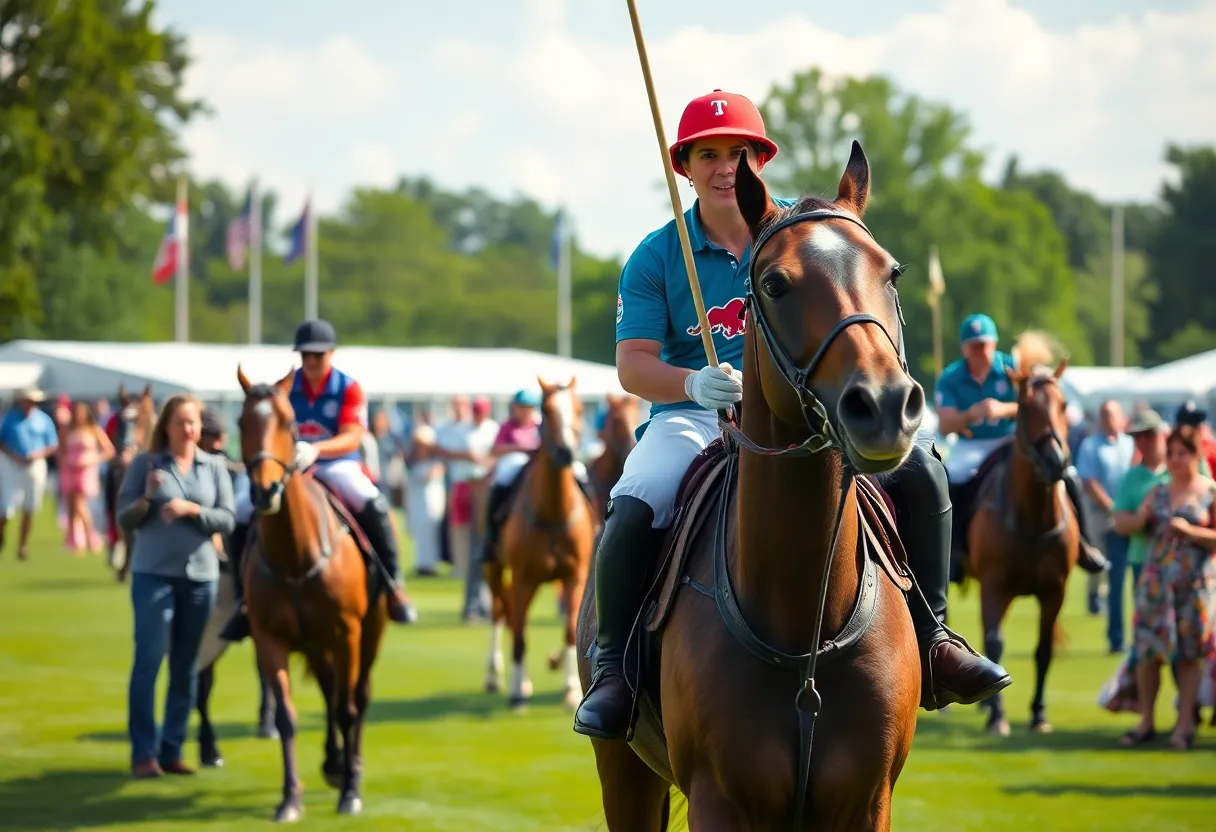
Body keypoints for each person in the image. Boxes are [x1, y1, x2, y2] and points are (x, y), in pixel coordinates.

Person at [572, 89, 1012, 741]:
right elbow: (632, 365)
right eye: (708, 154)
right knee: (636, 501)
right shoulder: (657, 255)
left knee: (923, 470)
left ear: (760, 161)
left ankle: (934, 637)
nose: (726, 167)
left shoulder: (806, 238)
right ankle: (614, 670)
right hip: (691, 417)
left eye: (739, 153)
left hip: (806, 413)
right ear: (684, 167)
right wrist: (692, 382)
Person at [219, 319, 417, 642]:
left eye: (318, 355)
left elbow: (354, 434)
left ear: (331, 353)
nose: (311, 361)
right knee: (241, 510)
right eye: (306, 355)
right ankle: (243, 599)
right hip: (289, 469)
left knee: (371, 502)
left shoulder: (348, 388)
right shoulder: (285, 389)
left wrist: (317, 449)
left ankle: (394, 585)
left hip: (336, 464)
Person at [934, 313, 1109, 573]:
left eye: (984, 345)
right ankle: (954, 552)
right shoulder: (950, 377)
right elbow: (945, 425)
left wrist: (1003, 409)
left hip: (1011, 439)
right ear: (964, 348)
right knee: (949, 480)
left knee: (1067, 475)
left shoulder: (1013, 368)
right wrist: (971, 414)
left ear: (994, 344)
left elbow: (1040, 404)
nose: (980, 351)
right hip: (971, 446)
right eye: (974, 346)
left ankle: (1085, 544)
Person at [117, 394, 235, 777]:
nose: (188, 429)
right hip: (153, 574)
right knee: (149, 660)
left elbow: (227, 519)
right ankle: (143, 752)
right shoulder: (146, 463)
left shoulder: (214, 466)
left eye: (193, 422)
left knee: (186, 667)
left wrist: (192, 511)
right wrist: (148, 498)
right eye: (181, 422)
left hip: (201, 578)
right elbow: (124, 518)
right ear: (166, 426)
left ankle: (171, 749)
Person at [1117, 428, 1216, 750]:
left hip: (1195, 586)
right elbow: (1124, 524)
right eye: (1171, 454)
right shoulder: (1158, 492)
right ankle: (1146, 721)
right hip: (1155, 584)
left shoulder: (1210, 492)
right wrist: (1140, 517)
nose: (1175, 460)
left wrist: (1191, 531)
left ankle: (1184, 725)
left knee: (1189, 655)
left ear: (1197, 455)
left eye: (1182, 454)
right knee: (1148, 652)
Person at [480, 388, 594, 565]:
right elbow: (496, 448)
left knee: (580, 471)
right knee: (504, 474)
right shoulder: (507, 426)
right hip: (519, 459)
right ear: (514, 407)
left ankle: (593, 523)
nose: (524, 410)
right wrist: (520, 448)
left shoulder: (542, 423)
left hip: (545, 461)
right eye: (521, 406)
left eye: (528, 407)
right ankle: (492, 534)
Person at [1112, 409, 1169, 644]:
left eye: (1149, 435)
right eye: (1138, 437)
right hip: (1144, 559)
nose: (1143, 442)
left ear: (1161, 435)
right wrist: (1142, 517)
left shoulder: (1185, 464)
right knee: (1147, 633)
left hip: (1184, 562)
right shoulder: (1132, 477)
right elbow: (1120, 523)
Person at [0, 387, 59, 561]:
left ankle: (23, 545)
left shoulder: (43, 419)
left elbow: (52, 444)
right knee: (6, 507)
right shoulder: (10, 418)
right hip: (11, 464)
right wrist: (14, 456)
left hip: (35, 465)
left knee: (30, 507)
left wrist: (37, 455)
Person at [59, 400, 115, 554]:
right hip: (70, 470)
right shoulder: (68, 430)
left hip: (85, 471)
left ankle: (91, 537)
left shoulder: (93, 429)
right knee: (71, 507)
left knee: (79, 505)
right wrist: (66, 461)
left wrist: (92, 460)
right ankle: (73, 540)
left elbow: (109, 450)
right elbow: (61, 449)